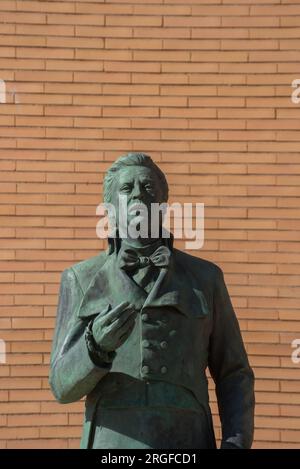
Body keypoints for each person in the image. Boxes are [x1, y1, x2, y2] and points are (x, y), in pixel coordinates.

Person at [49, 152, 255, 449]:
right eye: (126, 188)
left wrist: (236, 443)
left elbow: (233, 373)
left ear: (162, 206)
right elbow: (61, 386)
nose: (137, 195)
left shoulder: (206, 278)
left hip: (188, 438)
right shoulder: (80, 279)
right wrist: (95, 346)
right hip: (112, 440)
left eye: (147, 188)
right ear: (110, 209)